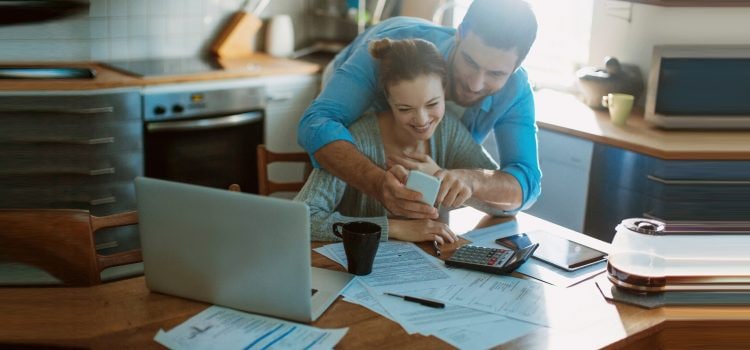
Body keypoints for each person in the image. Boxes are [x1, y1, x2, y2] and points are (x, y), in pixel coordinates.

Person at [297, 0, 541, 220]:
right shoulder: (394, 50)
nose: (474, 84)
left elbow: (527, 185)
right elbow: (317, 124)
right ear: (460, 34)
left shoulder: (516, 92)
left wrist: (472, 179)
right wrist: (376, 182)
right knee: (336, 186)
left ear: (517, 66)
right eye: (470, 61)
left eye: (496, 74)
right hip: (353, 100)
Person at [295, 38, 505, 243]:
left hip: (427, 265)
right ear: (388, 100)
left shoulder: (448, 130)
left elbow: (503, 205)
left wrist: (455, 181)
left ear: (444, 90)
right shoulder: (355, 138)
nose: (422, 120)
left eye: (432, 104)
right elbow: (302, 219)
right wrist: (394, 228)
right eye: (405, 109)